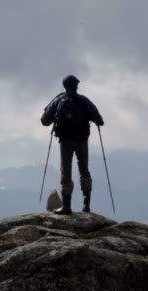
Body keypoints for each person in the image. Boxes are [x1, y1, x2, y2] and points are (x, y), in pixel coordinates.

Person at [40, 75, 104, 214]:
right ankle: (86, 206)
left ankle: (66, 207)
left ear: (65, 86)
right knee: (84, 170)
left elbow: (44, 121)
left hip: (65, 141)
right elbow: (99, 119)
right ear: (76, 86)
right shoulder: (83, 100)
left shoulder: (58, 100)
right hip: (82, 140)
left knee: (66, 171)